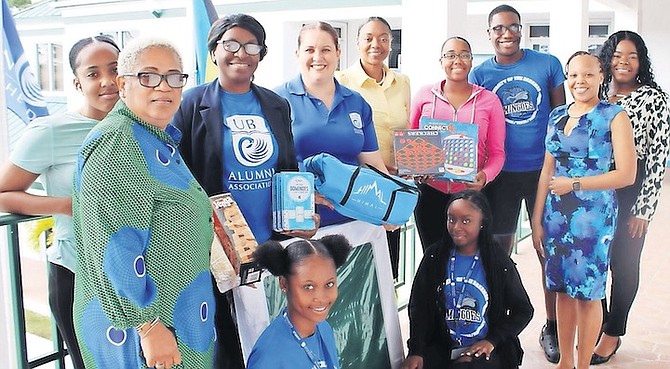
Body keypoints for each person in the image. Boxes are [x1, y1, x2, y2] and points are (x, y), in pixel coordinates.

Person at [172, 14, 317, 369]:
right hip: (217, 246)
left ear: (261, 54)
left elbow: (287, 166)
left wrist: (300, 212)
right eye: (231, 44)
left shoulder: (276, 104)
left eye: (251, 46)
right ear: (214, 51)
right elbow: (176, 172)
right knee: (226, 338)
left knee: (272, 332)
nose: (241, 53)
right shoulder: (190, 104)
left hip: (271, 242)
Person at [72, 37, 216, 369]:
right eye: (148, 76)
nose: (163, 87)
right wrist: (148, 326)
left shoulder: (151, 138)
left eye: (174, 76)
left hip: (173, 321)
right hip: (146, 334)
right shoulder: (119, 143)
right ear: (123, 84)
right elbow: (114, 248)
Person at [0, 35, 120, 369]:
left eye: (114, 70)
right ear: (77, 82)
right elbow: (3, 193)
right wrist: (68, 205)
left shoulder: (143, 127)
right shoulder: (52, 131)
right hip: (77, 275)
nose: (107, 81)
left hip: (134, 278)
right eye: (93, 73)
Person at [468, 4, 566, 363]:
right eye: (498, 28)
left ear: (522, 30)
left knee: (547, 253)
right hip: (501, 178)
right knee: (499, 255)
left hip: (543, 174)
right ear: (489, 34)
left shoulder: (548, 64)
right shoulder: (480, 73)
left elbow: (560, 119)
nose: (506, 33)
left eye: (513, 27)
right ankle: (496, 328)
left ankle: (552, 326)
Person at [531, 51, 636, 369]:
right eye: (574, 75)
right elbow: (547, 171)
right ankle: (564, 362)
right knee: (561, 290)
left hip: (592, 218)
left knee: (588, 294)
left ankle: (582, 364)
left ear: (601, 76)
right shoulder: (557, 116)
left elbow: (626, 174)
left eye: (588, 74)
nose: (580, 81)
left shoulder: (614, 116)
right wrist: (537, 220)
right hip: (555, 215)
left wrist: (574, 184)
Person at [591, 31, 670, 365]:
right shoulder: (594, 93)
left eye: (632, 56)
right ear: (607, 58)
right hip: (592, 188)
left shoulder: (653, 99)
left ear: (641, 62)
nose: (624, 62)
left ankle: (613, 333)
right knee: (594, 262)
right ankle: (597, 322)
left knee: (623, 264)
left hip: (630, 189)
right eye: (618, 54)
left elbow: (658, 157)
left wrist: (644, 209)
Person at [275, 21, 391, 228]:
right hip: (300, 222)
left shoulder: (357, 103)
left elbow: (373, 165)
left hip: (355, 220)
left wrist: (391, 205)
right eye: (309, 50)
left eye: (326, 50)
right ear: (297, 54)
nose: (318, 57)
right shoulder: (276, 101)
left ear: (338, 53)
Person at [401, 190, 533, 369]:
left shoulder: (497, 260)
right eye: (451, 219)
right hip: (443, 345)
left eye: (466, 221)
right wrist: (416, 350)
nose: (456, 227)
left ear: (482, 223)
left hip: (485, 349)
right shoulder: (434, 256)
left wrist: (492, 341)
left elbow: (523, 310)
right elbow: (419, 307)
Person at [410, 36, 505, 249]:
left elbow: (498, 153)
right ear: (441, 61)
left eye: (464, 55)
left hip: (471, 194)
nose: (457, 60)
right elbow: (411, 142)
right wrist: (416, 169)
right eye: (450, 55)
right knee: (433, 257)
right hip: (431, 194)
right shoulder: (424, 95)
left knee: (468, 258)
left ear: (471, 61)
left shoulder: (489, 101)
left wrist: (485, 176)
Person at [335, 16, 411, 279]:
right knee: (355, 269)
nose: (375, 44)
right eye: (368, 38)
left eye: (383, 38)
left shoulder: (402, 83)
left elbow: (406, 131)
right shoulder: (341, 81)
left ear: (391, 43)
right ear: (357, 43)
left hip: (392, 187)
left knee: (387, 268)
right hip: (358, 188)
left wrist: (412, 163)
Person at [246, 235, 352, 369]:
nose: (321, 297)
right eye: (308, 287)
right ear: (284, 283)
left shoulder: (323, 328)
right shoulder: (268, 356)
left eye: (329, 284)